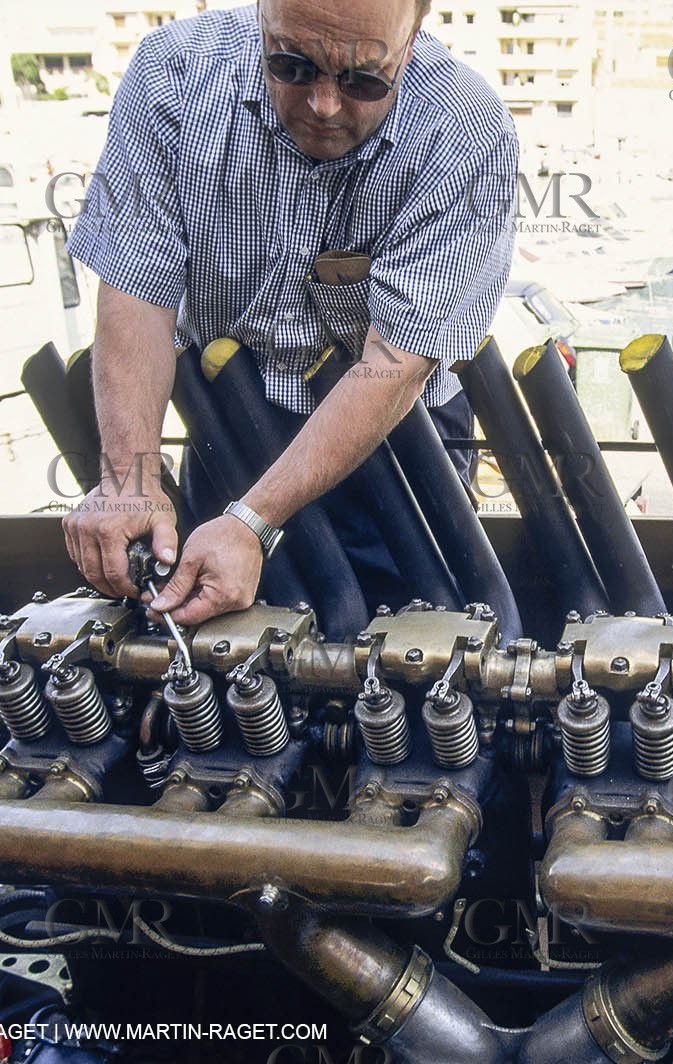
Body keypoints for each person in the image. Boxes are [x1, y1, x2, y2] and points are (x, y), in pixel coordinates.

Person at [62, 0, 518, 626]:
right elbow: (135, 289)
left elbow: (397, 363)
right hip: (230, 422)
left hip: (399, 439)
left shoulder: (466, 130)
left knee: (408, 657)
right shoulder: (171, 75)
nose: (325, 104)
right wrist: (130, 481)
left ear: (412, 35)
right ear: (260, 15)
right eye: (293, 65)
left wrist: (252, 521)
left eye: (362, 78)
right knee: (219, 652)